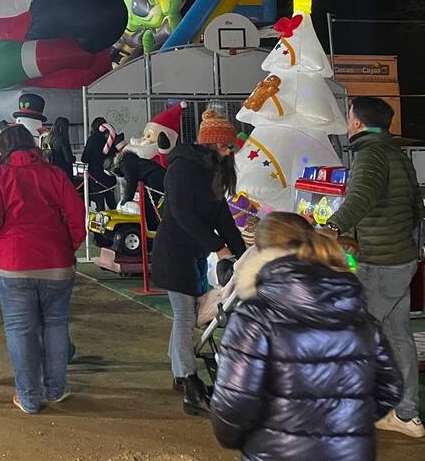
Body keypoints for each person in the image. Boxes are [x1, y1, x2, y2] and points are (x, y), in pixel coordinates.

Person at [211, 212, 404, 457]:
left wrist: (248, 438)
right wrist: (347, 421)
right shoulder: (358, 313)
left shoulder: (254, 317)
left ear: (261, 254)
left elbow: (233, 407)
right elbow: (390, 388)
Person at [321, 96, 423, 437]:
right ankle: (405, 413)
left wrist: (331, 228)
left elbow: (360, 197)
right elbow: (415, 207)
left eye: (349, 115)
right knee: (397, 335)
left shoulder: (371, 156)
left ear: (357, 124)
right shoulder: (395, 153)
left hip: (380, 263)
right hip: (400, 259)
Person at [0, 124, 86, 413]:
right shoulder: (54, 174)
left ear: (2, 149)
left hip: (13, 262)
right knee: (56, 324)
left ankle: (28, 397)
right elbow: (77, 215)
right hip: (56, 261)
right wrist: (69, 246)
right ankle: (55, 389)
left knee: (20, 329)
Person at [150, 110, 247, 417]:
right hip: (173, 254)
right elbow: (181, 214)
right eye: (226, 146)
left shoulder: (214, 170)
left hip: (192, 253)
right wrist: (217, 247)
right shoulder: (183, 168)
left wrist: (242, 252)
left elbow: (221, 214)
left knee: (188, 315)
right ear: (211, 143)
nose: (231, 151)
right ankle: (191, 387)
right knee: (184, 317)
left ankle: (180, 374)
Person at [81, 117, 120, 210]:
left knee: (100, 205)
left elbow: (84, 159)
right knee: (112, 204)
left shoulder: (92, 139)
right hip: (108, 176)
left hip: (95, 177)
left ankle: (100, 223)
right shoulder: (110, 140)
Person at [41, 116, 76, 183]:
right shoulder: (62, 141)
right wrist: (73, 158)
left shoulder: (47, 139)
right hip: (64, 172)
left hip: (51, 171)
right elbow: (69, 159)